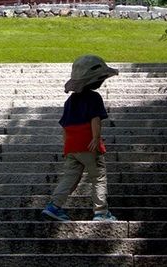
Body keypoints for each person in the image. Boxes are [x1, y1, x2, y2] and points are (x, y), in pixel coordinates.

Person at [41, 54, 119, 222]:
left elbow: (65, 126)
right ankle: (101, 212)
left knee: (69, 177)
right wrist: (96, 139)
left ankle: (54, 206)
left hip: (71, 145)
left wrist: (66, 147)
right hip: (88, 143)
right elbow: (95, 120)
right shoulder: (94, 98)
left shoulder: (69, 101)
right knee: (98, 177)